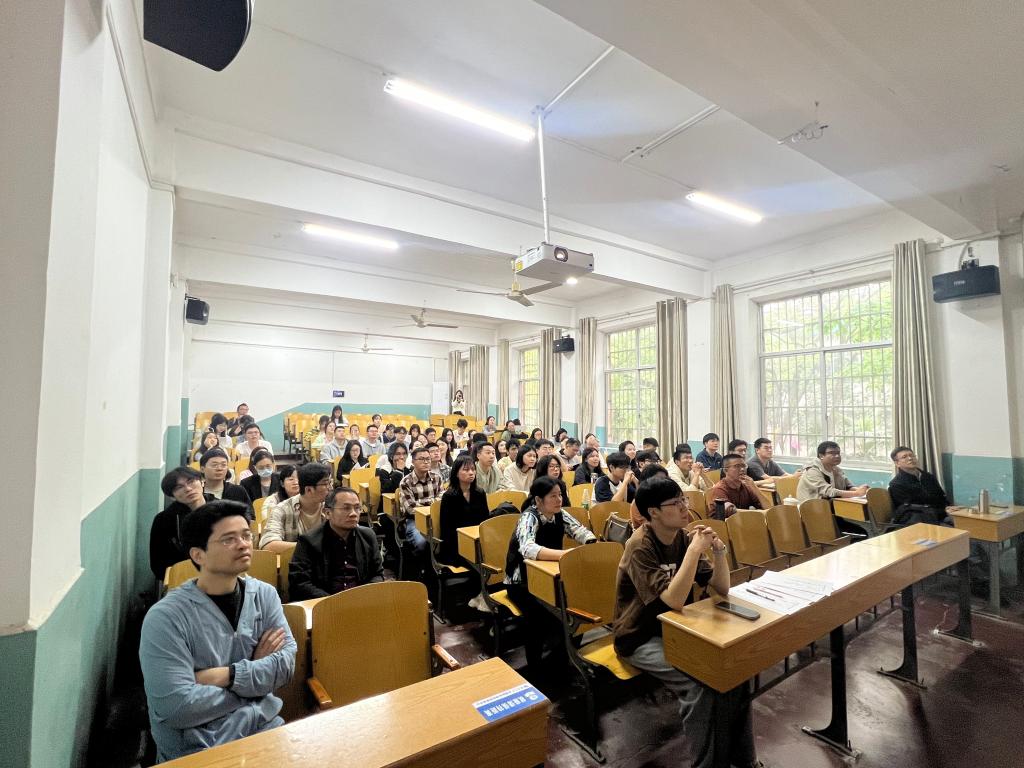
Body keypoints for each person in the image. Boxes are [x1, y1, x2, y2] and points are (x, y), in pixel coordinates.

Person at [613, 477, 757, 768]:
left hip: (676, 629)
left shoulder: (681, 537)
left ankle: (744, 759)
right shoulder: (640, 546)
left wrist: (718, 552)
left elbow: (722, 587)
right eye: (675, 503)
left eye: (684, 500)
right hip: (639, 637)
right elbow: (673, 600)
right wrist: (693, 551)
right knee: (699, 684)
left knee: (735, 670)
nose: (684, 508)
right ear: (653, 512)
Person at [139, 501, 296, 763]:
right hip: (199, 749)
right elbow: (177, 706)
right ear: (198, 555)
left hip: (264, 733)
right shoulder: (166, 617)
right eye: (228, 539)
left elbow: (285, 667)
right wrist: (255, 680)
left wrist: (228, 675)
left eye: (246, 535)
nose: (243, 545)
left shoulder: (265, 595)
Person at [504, 476, 595, 676]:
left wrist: (591, 543)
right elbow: (528, 548)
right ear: (538, 500)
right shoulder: (529, 517)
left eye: (560, 495)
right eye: (553, 496)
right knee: (538, 618)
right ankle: (536, 668)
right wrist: (564, 555)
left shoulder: (560, 513)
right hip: (521, 582)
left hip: (551, 577)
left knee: (577, 610)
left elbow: (579, 530)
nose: (559, 500)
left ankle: (563, 660)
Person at [288, 487, 383, 599]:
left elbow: (378, 574)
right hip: (324, 602)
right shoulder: (309, 541)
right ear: (327, 513)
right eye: (346, 508)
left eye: (357, 508)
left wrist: (363, 596)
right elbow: (300, 583)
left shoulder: (367, 536)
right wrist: (334, 602)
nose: (353, 513)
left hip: (360, 600)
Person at [150, 467, 212, 580]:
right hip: (184, 580)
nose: (188, 489)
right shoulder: (164, 520)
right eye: (179, 487)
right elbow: (158, 564)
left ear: (202, 482)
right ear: (172, 496)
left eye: (191, 481)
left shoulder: (225, 510)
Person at [397, 446, 444, 591]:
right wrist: (432, 503)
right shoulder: (406, 482)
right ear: (413, 462)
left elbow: (442, 501)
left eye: (428, 459)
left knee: (450, 539)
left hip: (435, 518)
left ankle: (438, 576)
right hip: (414, 520)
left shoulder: (437, 478)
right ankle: (421, 577)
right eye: (422, 459)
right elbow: (411, 508)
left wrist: (424, 503)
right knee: (422, 543)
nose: (426, 462)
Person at [259, 463, 332, 553]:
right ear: (309, 490)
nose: (330, 488)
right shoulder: (282, 509)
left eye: (330, 483)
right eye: (325, 484)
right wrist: (310, 546)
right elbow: (268, 545)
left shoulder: (333, 507)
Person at [438, 455, 490, 566]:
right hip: (456, 543)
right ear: (456, 473)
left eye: (473, 469)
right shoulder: (449, 496)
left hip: (477, 540)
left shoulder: (480, 493)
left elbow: (485, 520)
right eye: (466, 470)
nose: (471, 473)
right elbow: (446, 528)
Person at [887, 447, 954, 526]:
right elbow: (911, 508)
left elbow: (942, 496)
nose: (910, 458)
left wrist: (949, 508)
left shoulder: (928, 477)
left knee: (964, 520)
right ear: (897, 463)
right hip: (921, 521)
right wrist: (944, 511)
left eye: (912, 455)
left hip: (942, 515)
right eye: (904, 457)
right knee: (957, 530)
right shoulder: (896, 484)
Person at [796, 441, 869, 503]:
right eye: (832, 453)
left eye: (838, 453)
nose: (837, 456)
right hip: (812, 508)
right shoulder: (812, 471)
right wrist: (856, 493)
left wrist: (863, 490)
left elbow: (848, 486)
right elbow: (828, 491)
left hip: (830, 505)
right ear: (821, 456)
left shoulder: (836, 469)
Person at [199, 449, 252, 516]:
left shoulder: (238, 491)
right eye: (214, 465)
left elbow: (250, 516)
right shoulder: (196, 492)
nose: (219, 468)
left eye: (223, 465)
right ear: (202, 469)